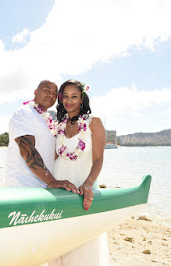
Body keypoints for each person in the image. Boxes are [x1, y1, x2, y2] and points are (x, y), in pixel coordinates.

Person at [49, 79, 109, 265]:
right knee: (57, 243)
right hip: (59, 188)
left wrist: (88, 184)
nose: (69, 101)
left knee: (83, 244)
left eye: (74, 96)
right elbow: (52, 158)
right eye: (65, 96)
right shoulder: (58, 125)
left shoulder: (94, 123)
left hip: (83, 187)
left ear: (82, 99)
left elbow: (98, 159)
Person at [5, 80, 80, 193]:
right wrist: (52, 181)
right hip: (23, 186)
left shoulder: (49, 121)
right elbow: (27, 150)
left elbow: (52, 156)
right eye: (46, 90)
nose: (51, 95)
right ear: (36, 92)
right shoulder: (24, 113)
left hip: (44, 189)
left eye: (55, 93)